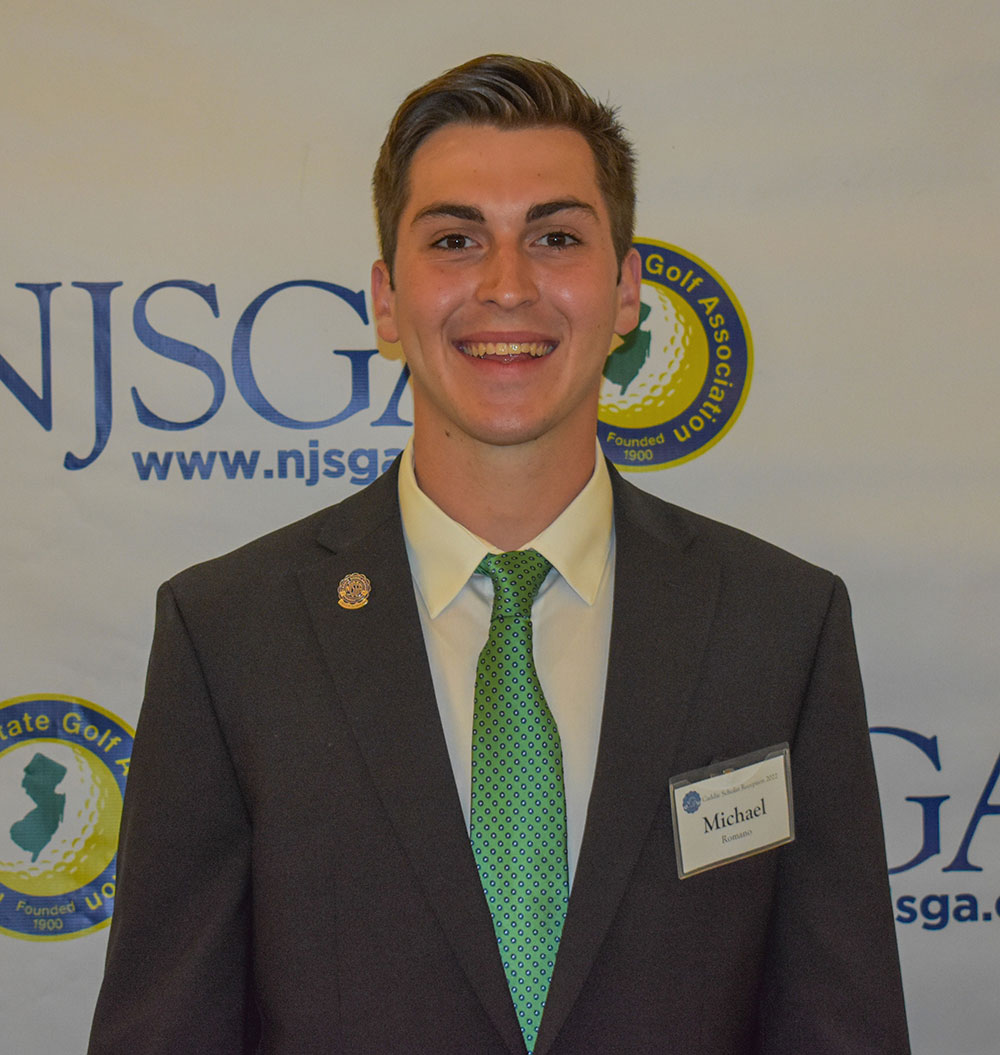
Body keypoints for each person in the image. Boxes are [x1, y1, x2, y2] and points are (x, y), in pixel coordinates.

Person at [88, 55, 910, 1054]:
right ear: (388, 300)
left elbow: (840, 1028)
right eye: (455, 238)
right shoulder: (228, 635)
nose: (507, 285)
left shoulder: (779, 624)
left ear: (624, 292)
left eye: (555, 237)